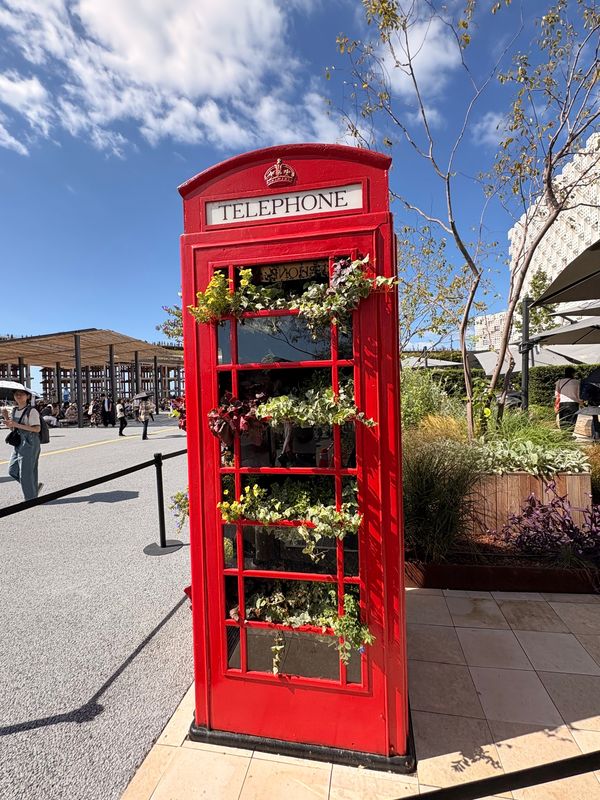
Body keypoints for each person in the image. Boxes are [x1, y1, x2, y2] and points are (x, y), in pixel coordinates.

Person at [3, 385, 42, 500]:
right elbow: (14, 430)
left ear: (28, 396)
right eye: (16, 394)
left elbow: (36, 429)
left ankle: (30, 499)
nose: (18, 396)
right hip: (19, 442)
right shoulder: (14, 410)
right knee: (12, 470)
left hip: (30, 442)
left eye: (21, 394)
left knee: (26, 473)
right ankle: (33, 489)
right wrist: (6, 417)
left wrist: (16, 425)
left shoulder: (32, 411)